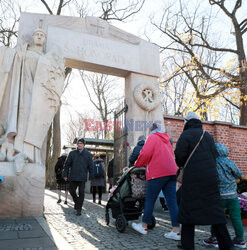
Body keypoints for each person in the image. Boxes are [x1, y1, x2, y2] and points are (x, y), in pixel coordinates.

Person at [174, 111, 233, 250]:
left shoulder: (185, 135)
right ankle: (227, 245)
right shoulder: (208, 136)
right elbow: (214, 156)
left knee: (188, 213)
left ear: (187, 122)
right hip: (211, 180)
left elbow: (179, 157)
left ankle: (187, 245)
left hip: (192, 180)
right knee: (216, 214)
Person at [132, 123, 180, 241]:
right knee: (172, 202)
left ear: (151, 131)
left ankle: (143, 226)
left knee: (150, 200)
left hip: (157, 173)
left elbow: (145, 154)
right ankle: (176, 231)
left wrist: (137, 164)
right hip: (172, 172)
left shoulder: (152, 138)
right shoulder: (166, 139)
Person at [203, 142, 246, 248]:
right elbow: (239, 175)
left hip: (219, 196)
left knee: (216, 218)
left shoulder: (211, 163)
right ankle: (240, 239)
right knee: (236, 217)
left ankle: (214, 238)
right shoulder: (229, 162)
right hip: (232, 195)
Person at [63, 138, 93, 216]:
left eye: (81, 143)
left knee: (81, 193)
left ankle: (79, 209)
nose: (79, 144)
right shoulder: (72, 153)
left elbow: (91, 167)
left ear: (83, 145)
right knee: (71, 190)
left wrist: (91, 177)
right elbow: (66, 165)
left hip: (82, 177)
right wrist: (65, 174)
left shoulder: (88, 154)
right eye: (78, 143)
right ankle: (77, 202)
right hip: (73, 176)